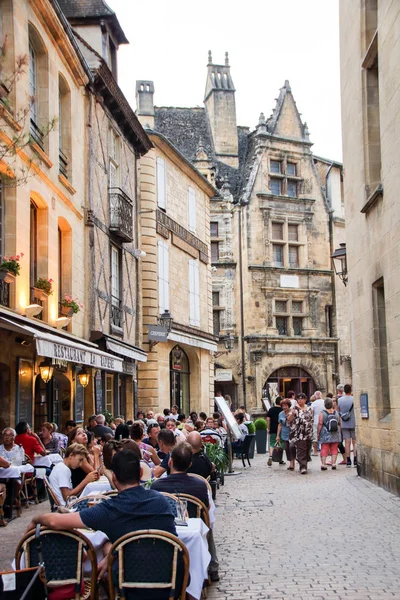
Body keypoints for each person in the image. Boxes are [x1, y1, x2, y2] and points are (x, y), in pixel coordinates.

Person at [27, 450, 177, 582]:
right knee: (108, 545)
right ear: (139, 473)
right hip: (172, 577)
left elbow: (54, 522)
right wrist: (113, 553)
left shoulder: (109, 509)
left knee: (106, 545)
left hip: (130, 580)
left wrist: (37, 518)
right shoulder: (161, 500)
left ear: (113, 478)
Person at [151, 443, 219, 582]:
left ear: (170, 462)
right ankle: (211, 567)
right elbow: (208, 516)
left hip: (165, 537)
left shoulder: (156, 486)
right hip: (193, 535)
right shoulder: (200, 486)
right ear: (190, 464)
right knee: (208, 527)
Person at [286, 393, 313, 474]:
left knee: (307, 448)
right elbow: (288, 420)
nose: (300, 400)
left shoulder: (309, 408)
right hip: (299, 432)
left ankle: (304, 462)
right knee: (301, 449)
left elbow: (311, 419)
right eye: (298, 398)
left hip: (308, 432)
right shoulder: (294, 409)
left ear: (305, 399)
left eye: (302, 398)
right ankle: (303, 467)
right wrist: (293, 414)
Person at [317, 398, 341, 470]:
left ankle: (323, 464)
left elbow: (320, 423)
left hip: (325, 432)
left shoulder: (322, 413)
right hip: (335, 431)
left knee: (324, 448)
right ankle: (333, 463)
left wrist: (318, 433)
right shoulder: (336, 412)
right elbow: (339, 422)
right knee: (334, 448)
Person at [338, 383, 357, 467]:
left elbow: (338, 411)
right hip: (353, 421)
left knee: (347, 442)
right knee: (355, 442)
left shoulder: (340, 400)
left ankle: (348, 460)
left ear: (344, 391)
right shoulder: (354, 399)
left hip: (344, 422)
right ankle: (356, 459)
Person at [276, 399, 296, 470]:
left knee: (292, 447)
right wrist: (278, 435)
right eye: (283, 406)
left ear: (288, 406)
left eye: (286, 405)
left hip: (293, 433)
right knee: (287, 448)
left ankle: (293, 462)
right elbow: (280, 425)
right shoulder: (281, 414)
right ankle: (291, 463)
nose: (284, 407)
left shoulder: (293, 412)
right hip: (284, 433)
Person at [267, 398, 283, 466]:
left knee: (272, 443)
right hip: (281, 429)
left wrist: (268, 428)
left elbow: (268, 419)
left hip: (272, 428)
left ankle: (271, 456)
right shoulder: (282, 410)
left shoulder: (271, 409)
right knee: (280, 443)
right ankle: (280, 459)